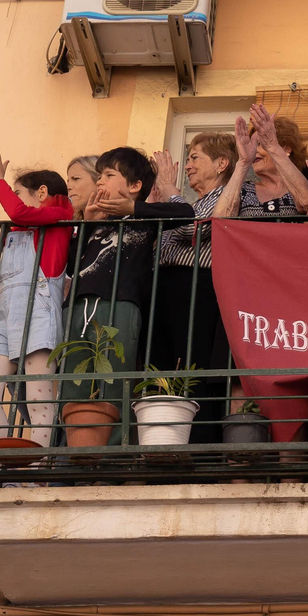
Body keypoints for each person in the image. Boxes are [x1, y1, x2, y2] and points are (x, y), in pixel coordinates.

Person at [59, 146, 194, 441]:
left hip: (120, 304)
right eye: (99, 176)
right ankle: (73, 454)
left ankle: (111, 456)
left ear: (134, 186)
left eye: (108, 175)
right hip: (77, 307)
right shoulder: (94, 219)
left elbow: (185, 213)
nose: (99, 182)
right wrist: (88, 224)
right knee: (72, 383)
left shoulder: (143, 219)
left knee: (115, 381)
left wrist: (133, 209)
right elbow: (71, 265)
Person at [0, 145, 74, 447]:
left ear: (42, 193)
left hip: (39, 314)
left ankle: (36, 470)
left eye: (17, 191)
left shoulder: (60, 217)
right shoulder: (14, 232)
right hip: (5, 315)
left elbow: (19, 211)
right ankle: (1, 465)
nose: (11, 200)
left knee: (39, 400)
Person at [142, 134, 240, 444]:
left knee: (190, 368)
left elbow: (190, 229)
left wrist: (170, 190)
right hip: (166, 290)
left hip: (194, 289)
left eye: (196, 157)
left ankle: (197, 444)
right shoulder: (193, 202)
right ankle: (161, 443)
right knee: (159, 370)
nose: (188, 165)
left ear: (222, 163)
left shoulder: (224, 197)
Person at [215, 103, 308, 218]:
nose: (255, 151)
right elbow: (219, 220)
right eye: (253, 145)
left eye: (261, 144)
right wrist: (243, 162)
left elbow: (306, 203)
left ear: (286, 150)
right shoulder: (244, 190)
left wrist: (272, 147)